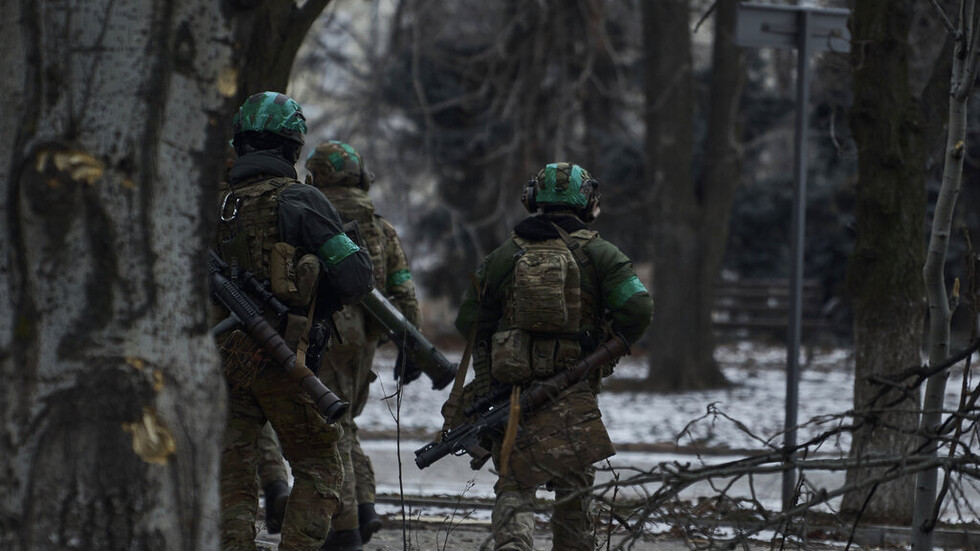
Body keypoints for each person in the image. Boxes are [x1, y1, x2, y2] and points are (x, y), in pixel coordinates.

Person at [451, 162, 653, 551]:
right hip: (574, 389)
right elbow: (640, 309)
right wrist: (605, 347)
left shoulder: (504, 254)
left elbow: (469, 322)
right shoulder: (602, 255)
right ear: (588, 203)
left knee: (514, 483)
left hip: (511, 394)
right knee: (574, 492)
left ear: (532, 201)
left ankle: (512, 543)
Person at [215, 92, 375, 551]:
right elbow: (356, 279)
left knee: (233, 472)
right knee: (321, 467)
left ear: (240, 144)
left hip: (224, 366)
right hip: (286, 360)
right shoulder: (303, 200)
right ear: (293, 147)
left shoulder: (217, 206)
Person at [257, 140, 422, 550]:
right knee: (346, 425)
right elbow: (404, 290)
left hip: (322, 328)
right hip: (367, 338)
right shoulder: (380, 226)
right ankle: (364, 509)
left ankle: (343, 526)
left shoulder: (306, 208)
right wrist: (411, 345)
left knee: (330, 430)